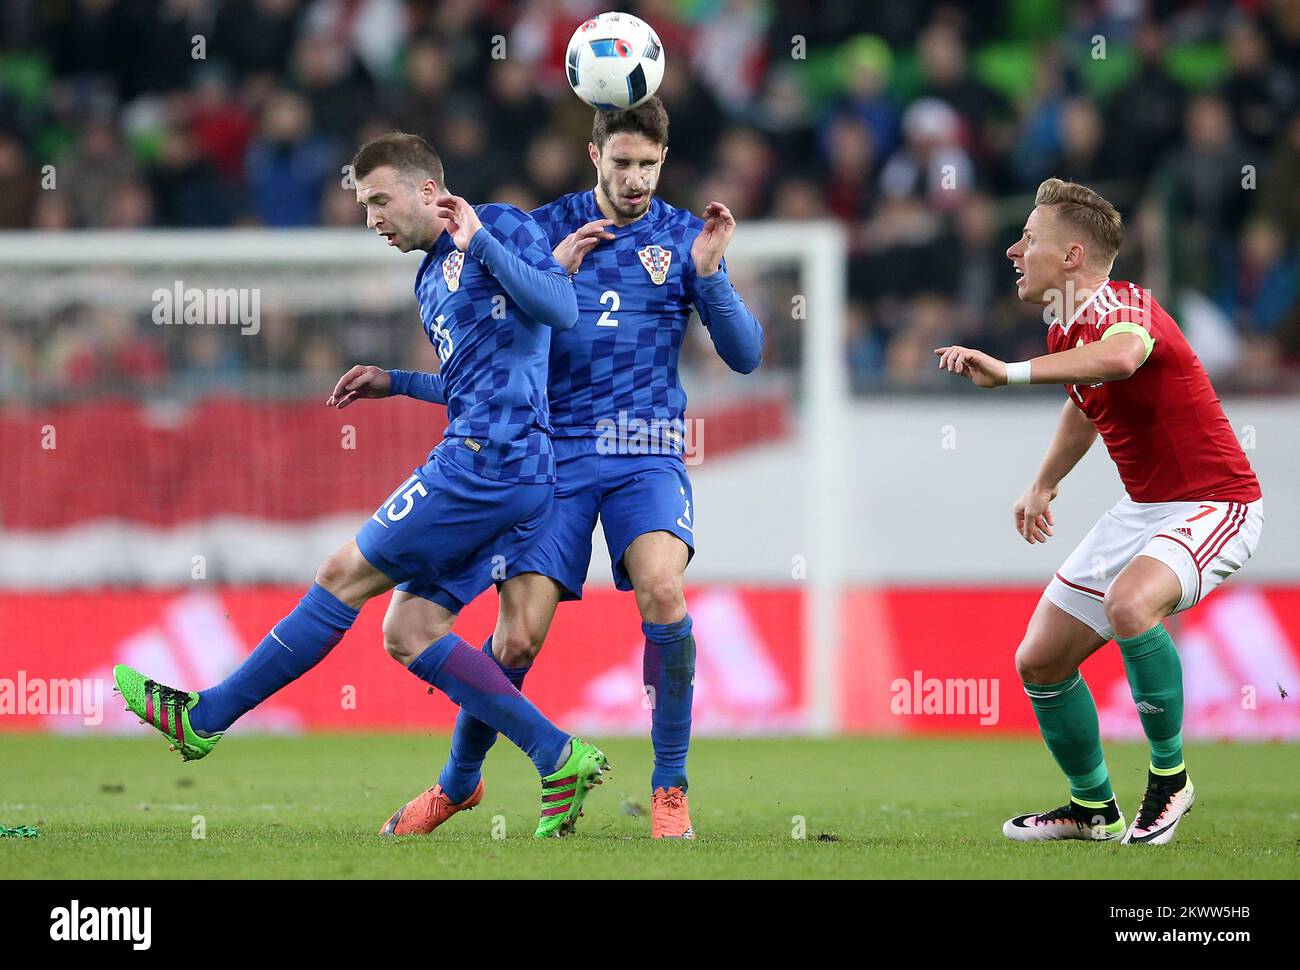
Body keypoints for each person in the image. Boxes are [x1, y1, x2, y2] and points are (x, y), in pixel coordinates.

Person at [114, 132, 609, 839]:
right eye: (362, 204)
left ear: (425, 193)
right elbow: (480, 379)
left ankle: (203, 719)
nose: (371, 216)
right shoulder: (428, 277)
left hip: (486, 463)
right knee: (409, 630)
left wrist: (480, 242)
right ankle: (555, 756)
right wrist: (397, 382)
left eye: (379, 199)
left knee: (341, 572)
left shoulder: (493, 223)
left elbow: (561, 309)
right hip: (506, 466)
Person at [333, 98, 763, 840]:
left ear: (664, 164)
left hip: (644, 448)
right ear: (594, 156)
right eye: (622, 163)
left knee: (663, 589)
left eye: (649, 166)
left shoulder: (685, 236)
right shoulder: (537, 229)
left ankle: (670, 791)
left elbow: (747, 355)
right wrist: (402, 382)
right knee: (516, 641)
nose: (635, 180)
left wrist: (712, 274)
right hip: (552, 452)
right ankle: (457, 786)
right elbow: (487, 372)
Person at [934, 177, 1262, 845]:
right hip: (1143, 510)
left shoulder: (1126, 307)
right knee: (1040, 659)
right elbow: (1087, 401)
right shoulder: (1064, 328)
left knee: (1130, 605)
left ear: (1073, 255)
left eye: (1028, 238)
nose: (1012, 250)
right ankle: (1093, 808)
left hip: (1214, 503)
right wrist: (1044, 484)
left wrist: (1009, 371)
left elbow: (1119, 358)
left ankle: (1170, 778)